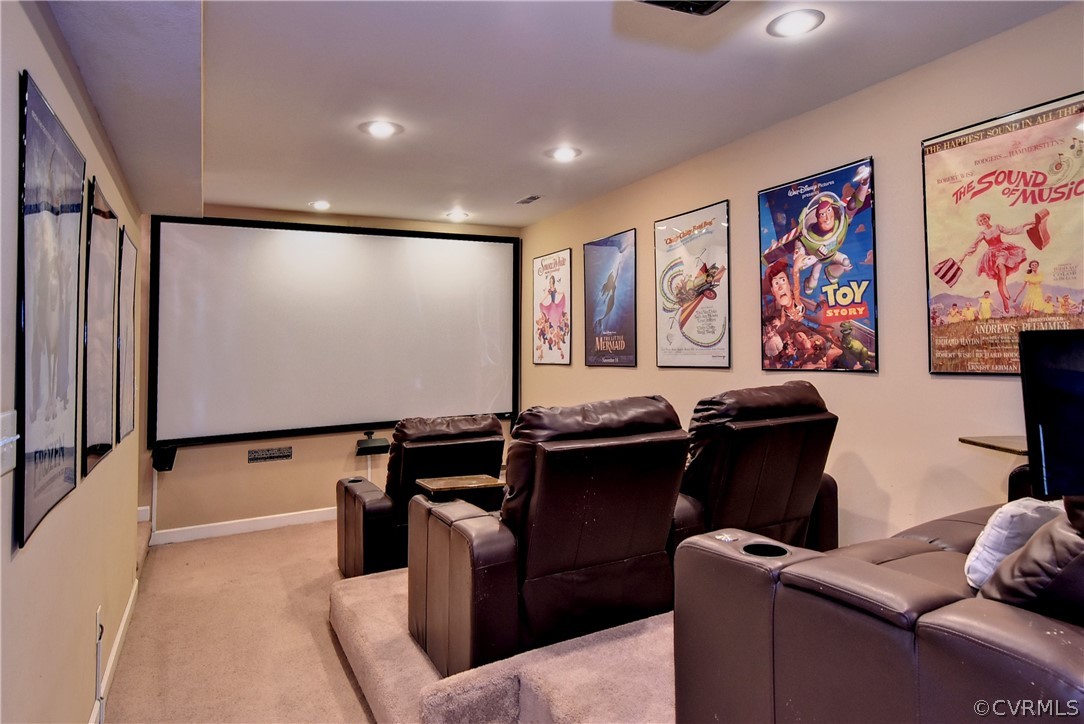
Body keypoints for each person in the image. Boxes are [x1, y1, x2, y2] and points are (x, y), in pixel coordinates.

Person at [960, 212, 1035, 314]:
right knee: (999, 277)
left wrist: (1026, 224)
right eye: (981, 221)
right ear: (979, 223)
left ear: (988, 218)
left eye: (984, 218)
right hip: (992, 254)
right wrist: (963, 256)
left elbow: (1011, 231)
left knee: (1001, 263)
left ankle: (1004, 286)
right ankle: (1004, 300)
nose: (984, 221)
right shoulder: (982, 234)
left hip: (1002, 250)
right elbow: (974, 245)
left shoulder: (997, 227)